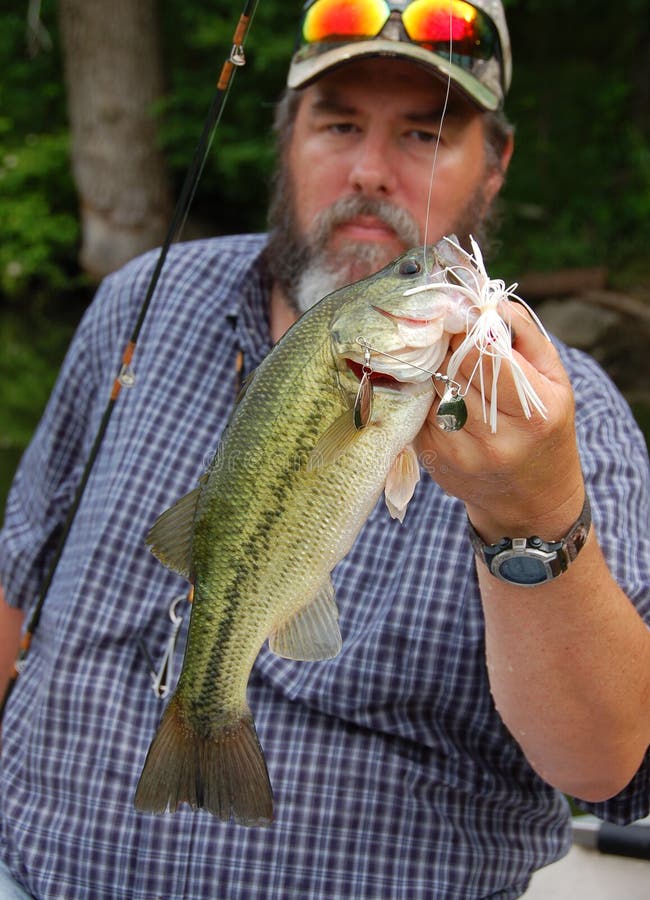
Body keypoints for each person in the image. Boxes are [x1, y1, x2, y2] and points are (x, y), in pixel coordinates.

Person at [1, 1, 649, 896]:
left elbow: (611, 769)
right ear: (286, 137)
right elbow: (15, 585)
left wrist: (532, 512)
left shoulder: (565, 417)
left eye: (424, 135)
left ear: (493, 169)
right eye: (339, 123)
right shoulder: (136, 307)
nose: (373, 171)